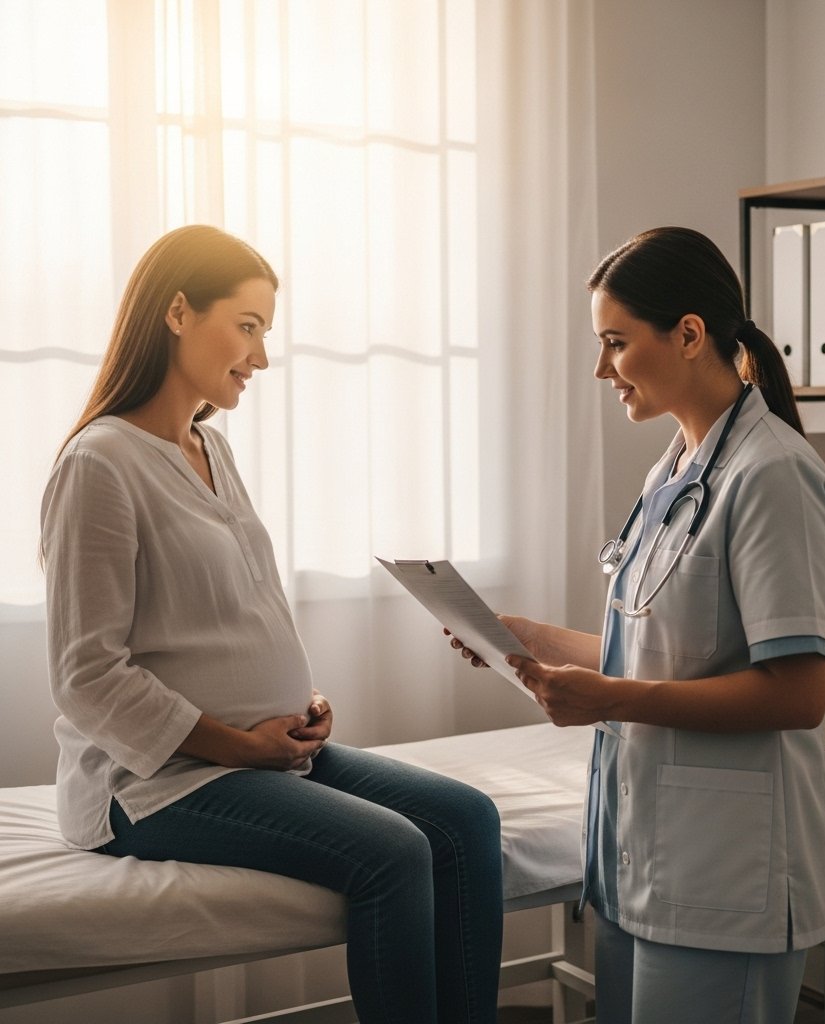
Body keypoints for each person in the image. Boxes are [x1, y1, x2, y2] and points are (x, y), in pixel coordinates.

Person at [40, 224, 503, 1024]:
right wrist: (240, 743)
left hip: (259, 758)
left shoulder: (210, 448)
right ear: (178, 312)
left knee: (467, 820)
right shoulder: (100, 464)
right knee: (395, 852)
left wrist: (300, 702)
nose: (259, 358)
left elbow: (238, 610)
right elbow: (88, 677)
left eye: (265, 334)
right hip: (157, 782)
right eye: (247, 327)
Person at [450, 227, 825, 1024]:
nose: (602, 369)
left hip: (724, 874)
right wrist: (530, 640)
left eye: (616, 343)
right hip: (639, 864)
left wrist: (610, 700)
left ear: (690, 334)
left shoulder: (773, 477)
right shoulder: (673, 470)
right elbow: (666, 656)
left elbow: (797, 694)